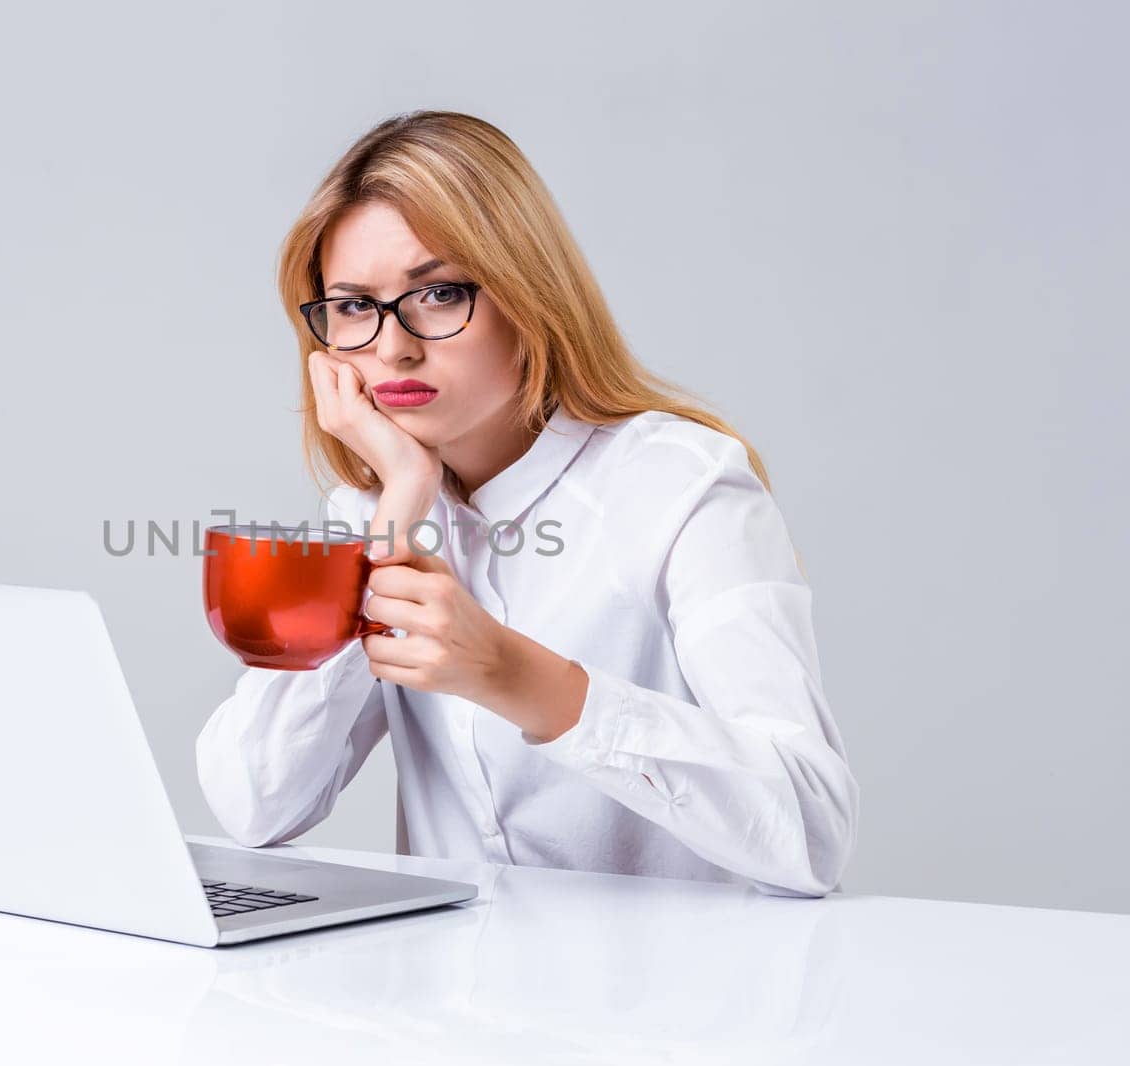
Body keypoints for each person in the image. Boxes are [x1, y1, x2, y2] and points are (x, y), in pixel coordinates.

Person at [195, 110, 858, 897]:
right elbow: (256, 804)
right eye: (352, 306)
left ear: (526, 292)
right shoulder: (381, 510)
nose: (392, 346)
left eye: (438, 293)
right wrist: (400, 499)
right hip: (452, 1004)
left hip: (683, 1006)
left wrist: (517, 676)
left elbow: (813, 831)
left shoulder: (682, 486)